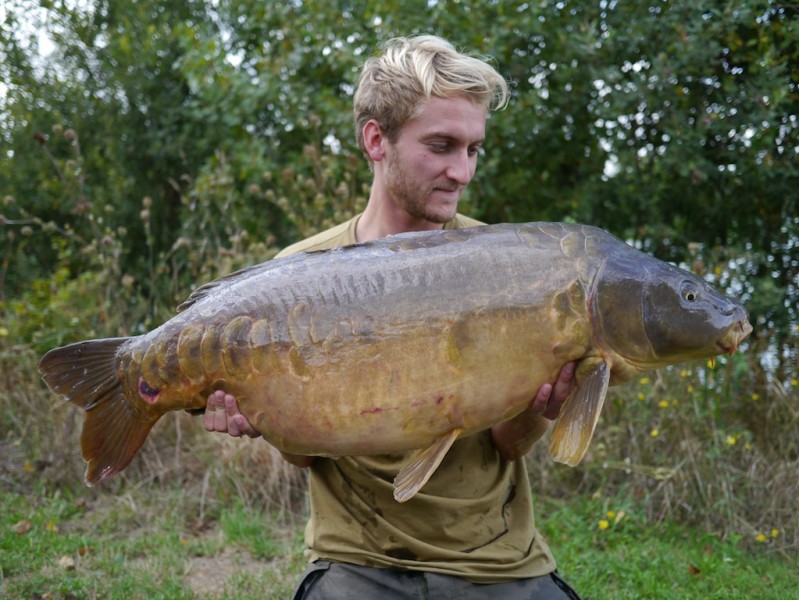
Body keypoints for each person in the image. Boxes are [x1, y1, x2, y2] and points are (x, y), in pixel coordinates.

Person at [204, 35, 580, 599]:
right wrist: (261, 415)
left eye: (474, 149)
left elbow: (506, 445)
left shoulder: (512, 265)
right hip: (356, 560)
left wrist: (547, 405)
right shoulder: (298, 275)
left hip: (498, 560)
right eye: (442, 146)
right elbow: (304, 453)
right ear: (376, 140)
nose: (463, 172)